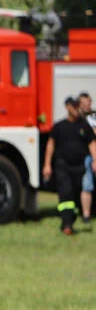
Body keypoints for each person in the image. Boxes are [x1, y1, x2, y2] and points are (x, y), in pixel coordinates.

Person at [43, 96, 96, 235]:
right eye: (73, 106)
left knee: (74, 194)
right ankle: (67, 223)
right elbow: (50, 144)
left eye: (77, 105)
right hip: (63, 166)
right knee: (65, 193)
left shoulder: (84, 126)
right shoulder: (60, 126)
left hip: (79, 167)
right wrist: (47, 164)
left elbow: (92, 143)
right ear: (67, 107)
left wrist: (95, 160)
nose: (76, 108)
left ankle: (69, 220)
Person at [79, 92, 96, 224]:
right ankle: (86, 215)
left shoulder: (93, 117)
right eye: (84, 103)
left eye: (89, 102)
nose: (87, 105)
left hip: (92, 155)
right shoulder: (78, 119)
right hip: (85, 156)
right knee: (87, 184)